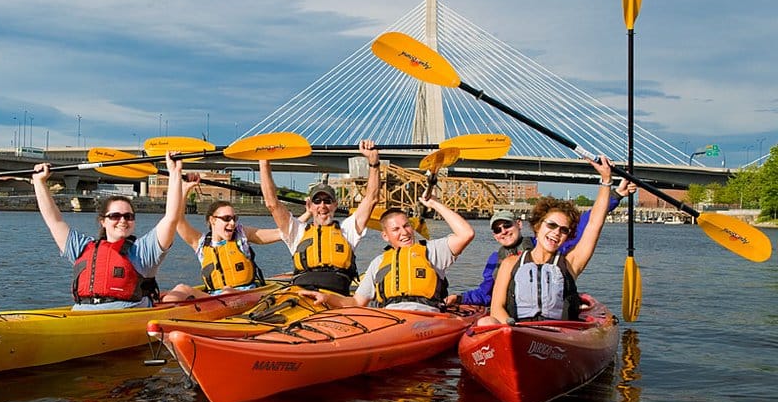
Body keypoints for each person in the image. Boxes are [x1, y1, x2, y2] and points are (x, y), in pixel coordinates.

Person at [31, 153, 188, 310]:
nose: (122, 220)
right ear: (103, 221)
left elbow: (171, 218)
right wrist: (39, 182)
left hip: (126, 315)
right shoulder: (82, 248)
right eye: (115, 216)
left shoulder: (143, 252)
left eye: (128, 216)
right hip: (82, 314)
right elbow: (54, 221)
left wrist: (175, 172)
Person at [447, 177, 636, 307]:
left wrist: (615, 195)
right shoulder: (498, 260)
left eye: (507, 225)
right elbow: (486, 292)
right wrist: (461, 297)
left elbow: (589, 223)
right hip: (515, 316)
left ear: (519, 224)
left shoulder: (546, 241)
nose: (503, 231)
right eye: (497, 230)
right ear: (494, 235)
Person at [480, 155, 614, 325]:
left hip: (556, 335)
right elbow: (497, 307)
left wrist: (606, 180)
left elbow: (595, 224)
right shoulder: (509, 263)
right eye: (551, 225)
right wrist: (510, 327)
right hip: (518, 330)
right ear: (537, 226)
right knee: (486, 323)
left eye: (563, 230)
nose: (556, 232)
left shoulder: (571, 264)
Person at [300, 194, 475, 312]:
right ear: (385, 236)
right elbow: (356, 303)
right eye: (396, 229)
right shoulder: (378, 262)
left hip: (426, 318)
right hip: (390, 320)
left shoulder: (433, 250)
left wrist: (435, 204)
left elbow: (466, 234)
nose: (404, 232)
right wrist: (327, 297)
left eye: (407, 226)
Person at [259, 140, 381, 295]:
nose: (322, 206)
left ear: (335, 205)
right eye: (317, 201)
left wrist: (373, 163)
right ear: (309, 206)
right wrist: (264, 162)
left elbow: (371, 198)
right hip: (302, 296)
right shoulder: (296, 231)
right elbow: (272, 203)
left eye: (327, 201)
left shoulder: (347, 230)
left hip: (336, 295)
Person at [170, 174, 283, 298]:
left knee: (227, 291)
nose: (233, 223)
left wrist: (303, 219)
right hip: (214, 299)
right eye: (226, 219)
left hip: (245, 295)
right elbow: (178, 221)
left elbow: (280, 233)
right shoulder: (201, 244)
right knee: (180, 289)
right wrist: (185, 189)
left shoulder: (241, 235)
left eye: (234, 218)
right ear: (212, 220)